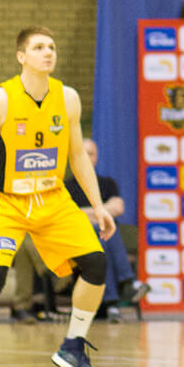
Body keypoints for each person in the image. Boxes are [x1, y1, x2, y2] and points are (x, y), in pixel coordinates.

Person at [0, 27, 115, 367]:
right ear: (21, 57)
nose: (48, 52)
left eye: (52, 47)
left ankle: (73, 346)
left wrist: (97, 205)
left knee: (96, 263)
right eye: (39, 47)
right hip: (5, 201)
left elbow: (77, 156)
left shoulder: (68, 98)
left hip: (52, 198)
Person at [67, 137, 147, 320]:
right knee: (105, 227)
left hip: (100, 241)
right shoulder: (66, 187)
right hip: (78, 242)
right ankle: (128, 283)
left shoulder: (107, 184)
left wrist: (88, 213)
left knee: (103, 239)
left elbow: (118, 208)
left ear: (96, 158)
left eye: (91, 154)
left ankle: (112, 302)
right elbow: (70, 215)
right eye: (82, 154)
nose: (87, 158)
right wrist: (101, 211)